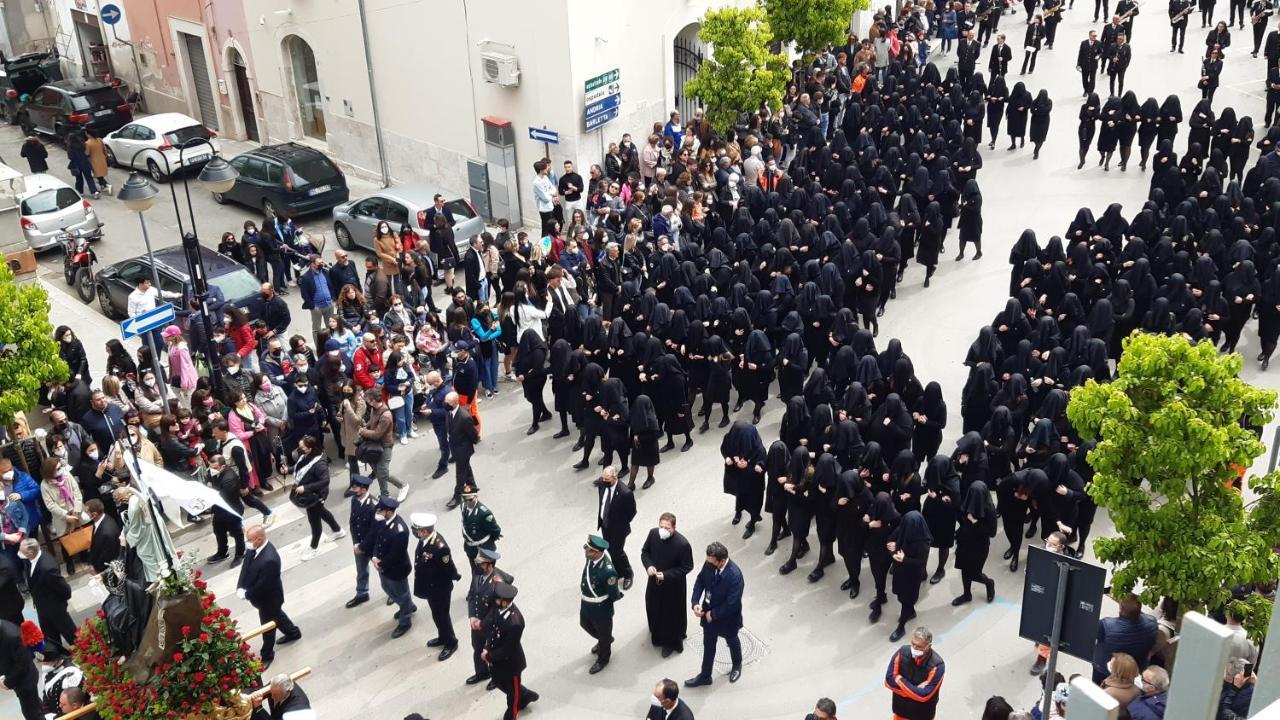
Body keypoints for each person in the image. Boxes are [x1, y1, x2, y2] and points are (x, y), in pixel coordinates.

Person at [237, 524, 302, 670]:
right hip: (264, 600)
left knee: (268, 627)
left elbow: (263, 585)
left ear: (259, 539)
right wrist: (240, 585)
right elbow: (245, 566)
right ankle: (293, 632)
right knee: (277, 616)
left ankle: (267, 654)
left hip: (269, 600)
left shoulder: (270, 559)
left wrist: (246, 594)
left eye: (249, 539)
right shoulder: (254, 548)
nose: (247, 542)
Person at [685, 541, 744, 687]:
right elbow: (700, 581)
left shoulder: (735, 576)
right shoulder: (710, 564)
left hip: (727, 618)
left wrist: (714, 614)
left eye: (711, 562)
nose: (707, 564)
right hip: (708, 614)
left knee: (732, 640)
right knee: (708, 644)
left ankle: (737, 664)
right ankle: (705, 675)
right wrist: (695, 602)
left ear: (721, 561)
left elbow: (732, 603)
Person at [640, 512, 694, 657]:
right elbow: (645, 552)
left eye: (667, 528)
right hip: (654, 582)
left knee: (671, 616)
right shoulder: (653, 534)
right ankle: (657, 635)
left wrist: (666, 575)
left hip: (673, 587)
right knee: (653, 607)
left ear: (674, 528)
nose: (663, 530)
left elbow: (687, 567)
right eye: (661, 527)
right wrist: (649, 566)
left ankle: (671, 643)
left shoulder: (682, 544)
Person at [484, 582, 539, 719]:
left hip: (511, 665)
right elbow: (492, 628)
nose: (495, 600)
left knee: (513, 700)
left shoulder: (515, 622)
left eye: (498, 599)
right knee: (498, 682)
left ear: (505, 602)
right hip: (496, 659)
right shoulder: (498, 608)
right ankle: (525, 694)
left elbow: (507, 650)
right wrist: (486, 647)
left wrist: (489, 656)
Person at [410, 512, 460, 661]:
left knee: (442, 616)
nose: (415, 533)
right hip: (430, 588)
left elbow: (448, 568)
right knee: (436, 614)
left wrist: (454, 577)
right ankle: (442, 636)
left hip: (440, 589)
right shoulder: (425, 540)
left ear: (424, 531)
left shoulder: (440, 547)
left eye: (417, 530)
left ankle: (451, 642)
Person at [366, 495, 415, 638]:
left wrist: (380, 564)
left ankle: (405, 620)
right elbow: (378, 540)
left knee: (402, 594)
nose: (378, 513)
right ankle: (407, 606)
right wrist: (375, 557)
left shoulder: (399, 530)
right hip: (383, 566)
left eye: (380, 511)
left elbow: (395, 555)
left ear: (388, 511)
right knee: (387, 588)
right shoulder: (384, 522)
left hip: (396, 569)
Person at [292, 435, 343, 561]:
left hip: (315, 495)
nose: (299, 449)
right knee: (323, 513)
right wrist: (288, 469)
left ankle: (314, 548)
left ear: (310, 448)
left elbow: (325, 481)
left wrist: (306, 488)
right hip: (312, 494)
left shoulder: (319, 464)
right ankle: (338, 531)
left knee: (314, 522)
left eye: (302, 447)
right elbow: (302, 467)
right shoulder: (307, 456)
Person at [465, 546, 511, 687]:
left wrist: (482, 623)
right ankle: (482, 672)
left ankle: (497, 677)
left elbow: (497, 609)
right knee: (477, 648)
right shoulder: (478, 575)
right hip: (477, 622)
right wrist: (472, 616)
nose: (477, 565)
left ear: (489, 565)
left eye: (481, 563)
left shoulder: (498, 583)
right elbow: (472, 595)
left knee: (491, 652)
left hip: (490, 624)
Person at [19, 539, 76, 648]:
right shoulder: (29, 560)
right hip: (42, 606)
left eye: (23, 553)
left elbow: (64, 589)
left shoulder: (47, 568)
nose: (20, 555)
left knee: (69, 633)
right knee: (50, 636)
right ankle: (56, 655)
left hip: (54, 607)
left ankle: (85, 653)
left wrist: (60, 602)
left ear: (30, 553)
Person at [579, 533, 623, 674]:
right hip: (586, 603)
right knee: (584, 624)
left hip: (600, 608)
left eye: (589, 550)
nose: (586, 551)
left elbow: (613, 593)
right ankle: (605, 639)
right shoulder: (590, 559)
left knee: (603, 634)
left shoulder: (608, 571)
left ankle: (603, 658)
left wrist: (617, 596)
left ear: (598, 552)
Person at [1091, 595, 1159, 682]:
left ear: (1121, 610)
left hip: (1105, 670)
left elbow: (1091, 635)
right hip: (1135, 670)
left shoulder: (1106, 626)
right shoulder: (1152, 623)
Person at [885, 626, 946, 720]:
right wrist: (915, 690)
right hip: (901, 710)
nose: (914, 648)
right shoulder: (902, 652)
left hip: (923, 714)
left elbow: (924, 695)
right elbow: (889, 681)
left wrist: (898, 679)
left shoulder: (937, 666)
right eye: (913, 644)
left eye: (919, 647)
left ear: (928, 646)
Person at [596, 465, 637, 589]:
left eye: (607, 480)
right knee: (609, 549)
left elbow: (632, 512)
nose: (604, 482)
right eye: (603, 479)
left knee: (617, 552)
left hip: (619, 529)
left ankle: (628, 573)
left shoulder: (625, 493)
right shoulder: (602, 484)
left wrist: (620, 523)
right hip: (605, 524)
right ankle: (618, 571)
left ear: (615, 477)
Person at [359, 390, 405, 498]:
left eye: (367, 401)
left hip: (385, 446)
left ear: (373, 401)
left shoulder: (386, 415)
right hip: (374, 445)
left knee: (382, 473)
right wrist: (366, 426)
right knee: (377, 471)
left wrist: (362, 431)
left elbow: (377, 434)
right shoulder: (373, 409)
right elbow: (371, 423)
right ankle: (384, 495)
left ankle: (402, 486)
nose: (366, 402)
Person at [205, 454, 246, 567]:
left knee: (237, 533)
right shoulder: (213, 472)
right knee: (219, 531)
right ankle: (222, 552)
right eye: (210, 467)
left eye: (214, 468)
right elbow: (209, 476)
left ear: (222, 466)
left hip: (231, 511)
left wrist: (210, 490)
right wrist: (209, 481)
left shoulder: (230, 478)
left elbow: (224, 496)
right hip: (219, 511)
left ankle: (240, 554)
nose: (211, 470)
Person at [0, 617, 42, 720]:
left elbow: (22, 664)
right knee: (36, 706)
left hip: (25, 681)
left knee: (31, 714)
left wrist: (7, 682)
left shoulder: (12, 636)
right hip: (19, 677)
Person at [446, 392, 480, 509]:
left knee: (460, 473)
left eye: (448, 403)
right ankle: (472, 486)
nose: (446, 404)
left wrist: (473, 442)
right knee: (465, 468)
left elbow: (473, 434)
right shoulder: (449, 412)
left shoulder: (464, 417)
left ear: (455, 403)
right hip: (455, 447)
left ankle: (457, 496)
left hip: (463, 449)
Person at [459, 485, 501, 571]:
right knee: (475, 573)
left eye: (470, 499)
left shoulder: (484, 514)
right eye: (465, 499)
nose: (467, 502)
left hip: (483, 549)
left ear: (476, 497)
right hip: (471, 548)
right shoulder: (463, 507)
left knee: (486, 575)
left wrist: (488, 542)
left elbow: (496, 531)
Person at [250, 674, 316, 720]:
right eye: (271, 692)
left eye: (275, 695)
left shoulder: (291, 715)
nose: (272, 697)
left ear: (286, 693)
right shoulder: (283, 683)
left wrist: (259, 708)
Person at [86, 498, 121, 573]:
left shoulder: (107, 533)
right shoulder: (104, 518)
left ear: (94, 514)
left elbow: (106, 557)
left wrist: (95, 568)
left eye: (87, 512)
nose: (86, 514)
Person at [1077, 30, 1102, 96]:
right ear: (1090, 36)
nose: (1095, 37)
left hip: (1093, 65)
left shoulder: (1098, 43)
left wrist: (1098, 56)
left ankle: (1090, 92)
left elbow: (1101, 52)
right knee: (1084, 79)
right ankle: (1086, 90)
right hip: (1084, 64)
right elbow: (1080, 54)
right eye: (1093, 36)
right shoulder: (1084, 43)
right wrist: (1078, 64)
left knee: (1092, 79)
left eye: (1096, 36)